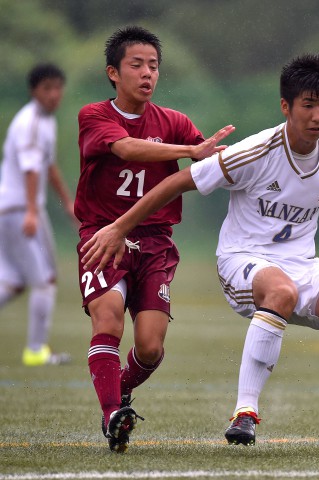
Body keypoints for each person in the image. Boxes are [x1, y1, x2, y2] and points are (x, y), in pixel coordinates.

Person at [80, 53, 319, 457]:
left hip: (303, 268)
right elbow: (178, 181)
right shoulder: (255, 151)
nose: (318, 116)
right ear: (286, 106)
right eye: (308, 105)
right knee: (279, 291)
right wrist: (120, 227)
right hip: (242, 261)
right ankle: (244, 413)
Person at [74, 26, 234, 453]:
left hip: (156, 243)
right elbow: (126, 149)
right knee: (106, 320)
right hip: (104, 237)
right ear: (113, 72)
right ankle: (111, 415)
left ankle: (120, 392)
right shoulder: (93, 116)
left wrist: (242, 157)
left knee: (149, 346)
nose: (147, 73)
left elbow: (208, 162)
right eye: (137, 65)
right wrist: (184, 151)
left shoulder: (176, 123)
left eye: (154, 66)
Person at [0, 63, 75, 367]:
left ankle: (36, 348)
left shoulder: (46, 121)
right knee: (43, 281)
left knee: (15, 281)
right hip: (20, 210)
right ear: (34, 91)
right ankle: (35, 351)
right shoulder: (29, 122)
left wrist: (68, 202)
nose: (54, 94)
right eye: (48, 88)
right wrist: (32, 212)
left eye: (58, 87)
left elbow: (48, 165)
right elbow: (31, 169)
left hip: (21, 209)